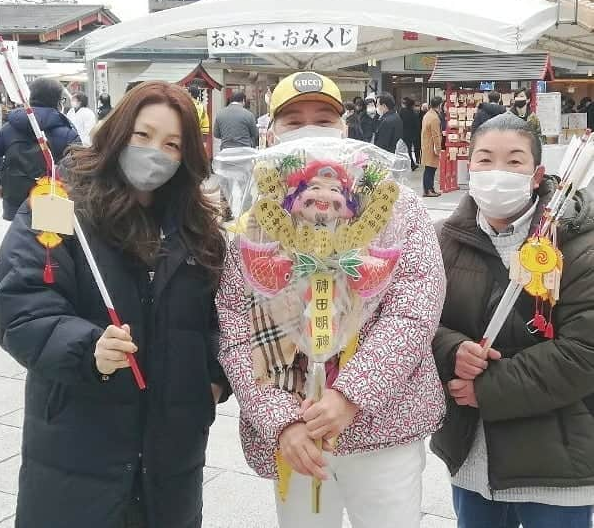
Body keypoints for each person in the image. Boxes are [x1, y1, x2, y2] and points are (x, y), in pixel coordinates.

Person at [216, 70, 446, 528]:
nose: (309, 130)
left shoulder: (393, 205)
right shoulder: (253, 216)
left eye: (323, 119)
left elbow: (413, 308)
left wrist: (350, 396)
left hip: (384, 428)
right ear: (272, 133)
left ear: (344, 130)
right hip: (297, 435)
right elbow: (235, 327)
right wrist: (282, 422)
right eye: (293, 120)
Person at [0, 81, 228, 528]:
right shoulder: (59, 203)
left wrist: (212, 380)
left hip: (171, 449)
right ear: (119, 131)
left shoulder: (200, 228)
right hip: (78, 438)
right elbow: (22, 302)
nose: (154, 151)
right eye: (143, 135)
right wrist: (87, 348)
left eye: (172, 144)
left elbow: (224, 316)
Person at [431, 111, 594, 528]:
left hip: (557, 460)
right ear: (470, 167)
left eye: (515, 161)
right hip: (472, 458)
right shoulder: (443, 240)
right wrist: (453, 351)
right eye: (485, 160)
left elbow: (584, 353)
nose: (497, 172)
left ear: (537, 174)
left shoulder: (578, 243)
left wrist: (487, 385)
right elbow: (419, 324)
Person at [0, 77, 80, 221]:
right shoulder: (67, 133)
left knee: (22, 240)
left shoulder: (9, 129)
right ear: (59, 101)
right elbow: (80, 170)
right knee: (52, 241)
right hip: (54, 203)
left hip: (16, 203)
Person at [421, 96, 443, 198]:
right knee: (430, 169)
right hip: (432, 146)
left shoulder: (427, 115)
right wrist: (438, 148)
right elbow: (436, 135)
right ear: (439, 105)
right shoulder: (434, 118)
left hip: (426, 145)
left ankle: (429, 189)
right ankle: (428, 190)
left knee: (428, 168)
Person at [400, 97, 421, 170]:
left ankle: (410, 164)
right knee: (408, 149)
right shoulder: (413, 114)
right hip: (411, 135)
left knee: (405, 150)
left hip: (403, 133)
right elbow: (417, 126)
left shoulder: (402, 112)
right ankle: (411, 164)